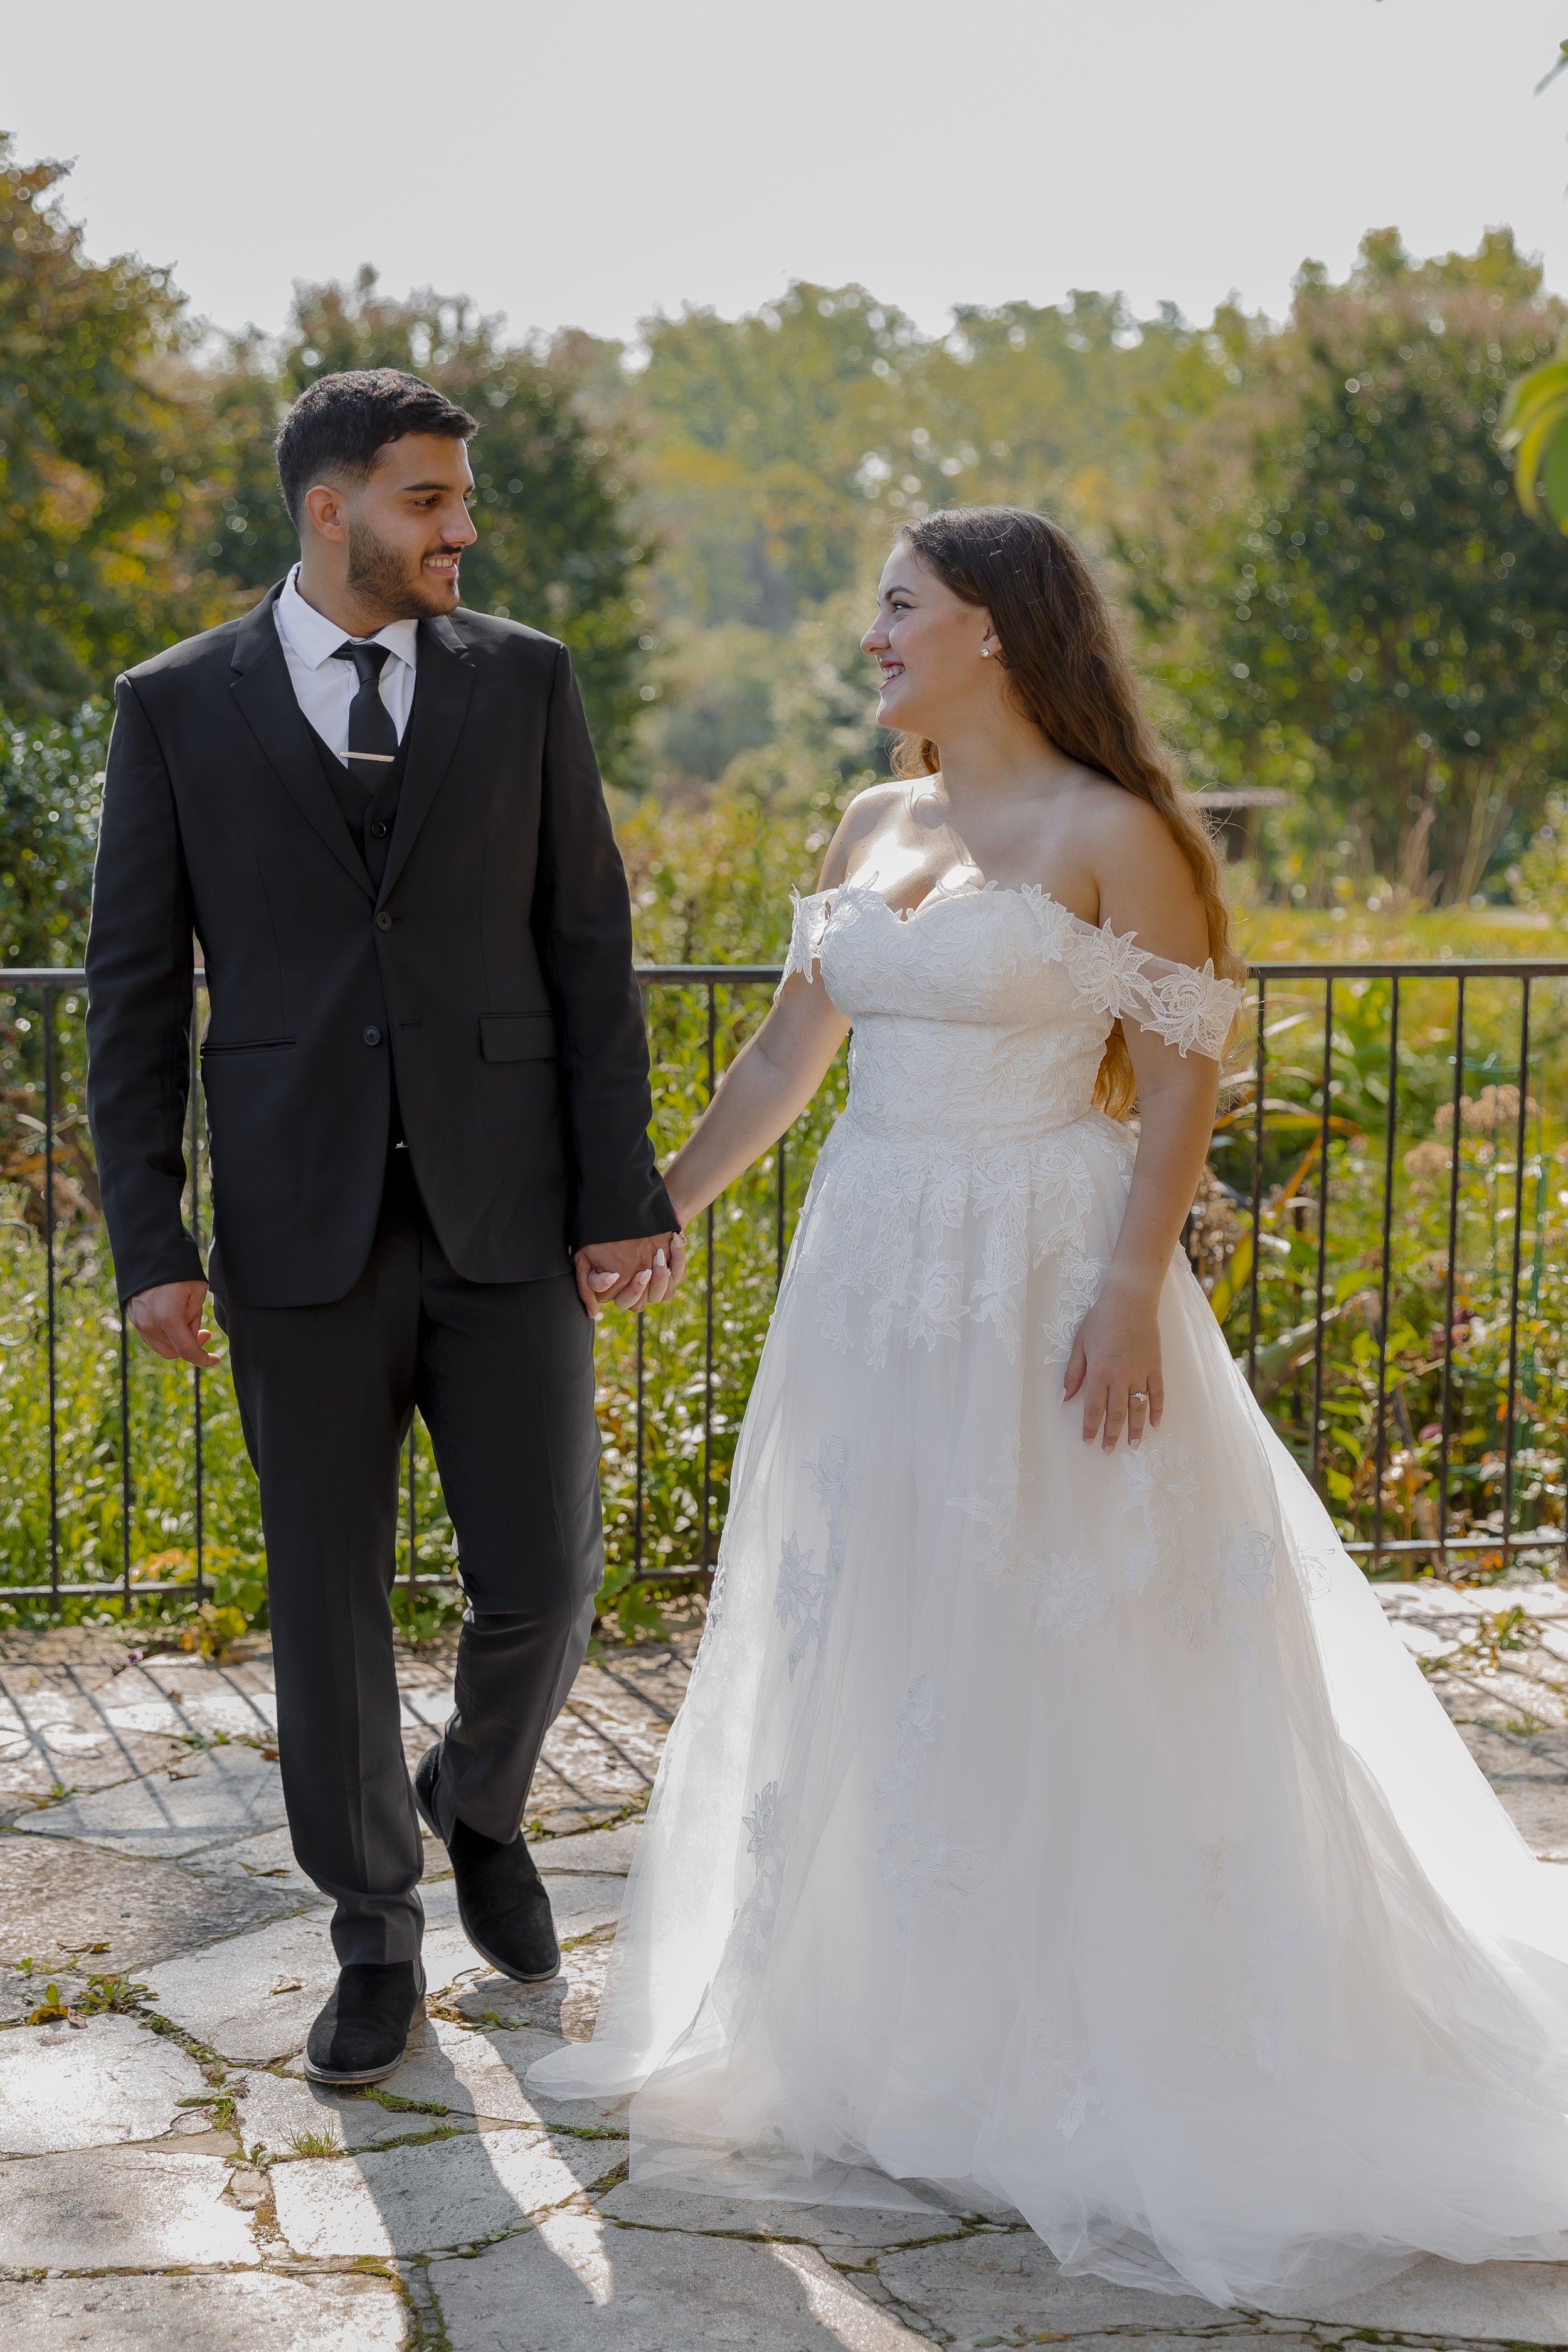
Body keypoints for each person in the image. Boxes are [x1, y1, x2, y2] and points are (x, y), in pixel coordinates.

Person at [531, 507, 1568, 2310]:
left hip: (1041, 1267)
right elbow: (792, 1051)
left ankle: (1121, 2027)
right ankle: (906, 2020)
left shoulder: (1115, 835)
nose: (872, 638)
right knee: (882, 1621)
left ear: (994, 629)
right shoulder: (874, 822)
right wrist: (658, 1211)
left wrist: (1120, 1293)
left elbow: (1181, 1078)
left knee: (1074, 1624)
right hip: (868, 1274)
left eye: (896, 606)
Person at [85, 369, 682, 2085]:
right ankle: (373, 1931)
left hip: (506, 1213)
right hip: (293, 1222)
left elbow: (588, 950)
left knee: (547, 1573)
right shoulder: (178, 705)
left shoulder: (525, 683)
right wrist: (153, 1239)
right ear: (328, 507)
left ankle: (473, 1801)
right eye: (427, 499)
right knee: (327, 1601)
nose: (460, 529)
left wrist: (616, 1190)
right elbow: (134, 994)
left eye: (460, 499)